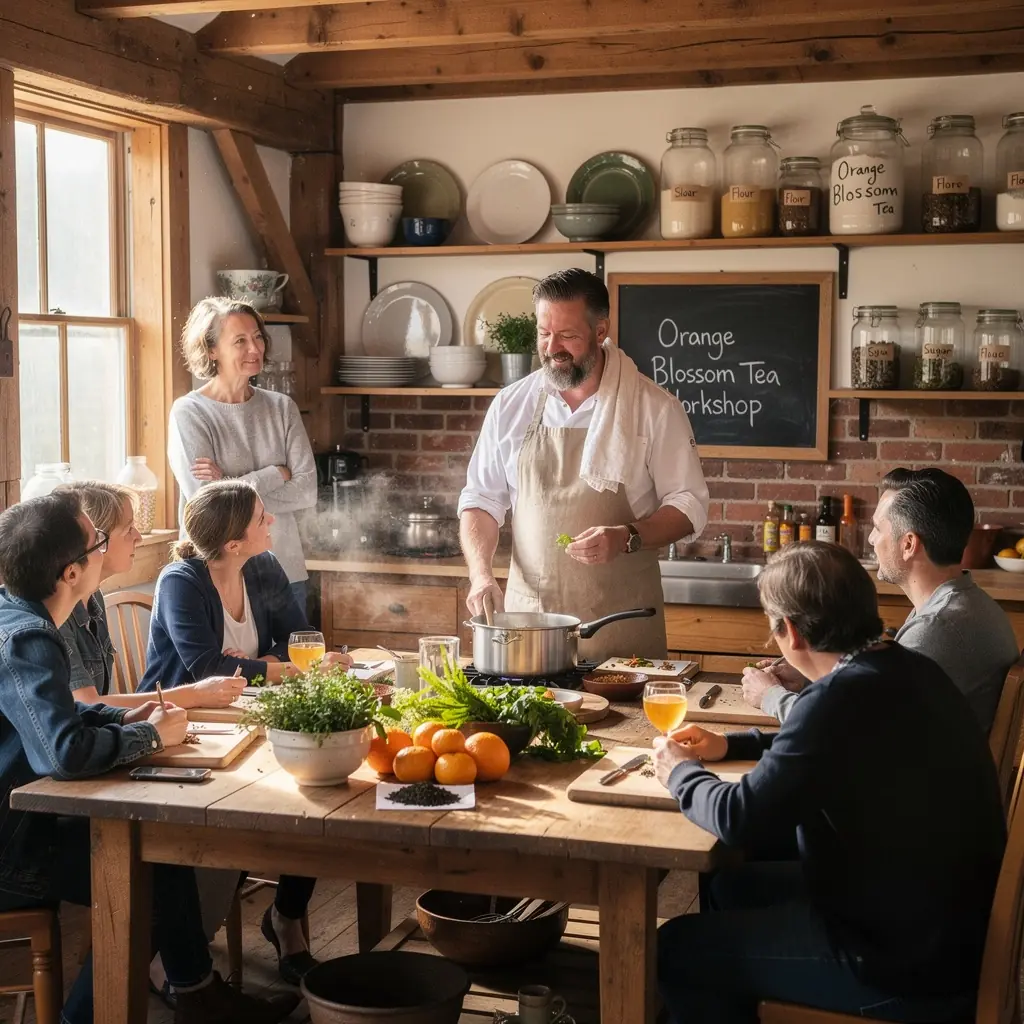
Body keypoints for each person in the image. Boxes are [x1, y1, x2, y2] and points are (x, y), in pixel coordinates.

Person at [653, 542, 1005, 1024]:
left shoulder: (838, 697)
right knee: (730, 887)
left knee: (675, 948)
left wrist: (678, 772)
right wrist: (730, 745)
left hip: (904, 968)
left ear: (792, 632)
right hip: (939, 926)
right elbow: (824, 744)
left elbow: (739, 817)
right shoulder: (902, 667)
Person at [0, 492, 300, 1024]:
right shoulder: (27, 639)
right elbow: (63, 753)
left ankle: (196, 993)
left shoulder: (28, 616)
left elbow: (64, 715)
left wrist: (130, 721)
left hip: (32, 820)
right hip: (13, 847)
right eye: (99, 541)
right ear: (71, 572)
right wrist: (149, 737)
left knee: (162, 857)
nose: (111, 546)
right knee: (142, 876)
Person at [139, 479, 346, 984]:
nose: (271, 521)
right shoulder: (180, 581)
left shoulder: (264, 565)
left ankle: (286, 917)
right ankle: (177, 960)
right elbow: (206, 668)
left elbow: (298, 637)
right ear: (232, 544)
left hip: (251, 716)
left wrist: (257, 666)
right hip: (183, 729)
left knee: (317, 793)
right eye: (260, 518)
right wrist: (275, 668)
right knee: (291, 798)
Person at [458, 268, 709, 661]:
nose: (552, 348)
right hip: (531, 631)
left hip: (622, 632)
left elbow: (689, 506)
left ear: (600, 330)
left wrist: (626, 536)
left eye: (568, 335)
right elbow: (481, 500)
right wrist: (480, 575)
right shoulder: (511, 405)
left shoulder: (655, 408)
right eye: (544, 333)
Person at [743, 468, 1019, 734]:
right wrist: (808, 676)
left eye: (877, 528)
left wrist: (771, 696)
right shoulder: (961, 604)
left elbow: (854, 729)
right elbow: (876, 698)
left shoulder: (936, 628)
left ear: (908, 544)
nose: (872, 539)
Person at [168, 297, 316, 611]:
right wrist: (275, 474)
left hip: (285, 570)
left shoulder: (282, 407)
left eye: (257, 337)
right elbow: (210, 508)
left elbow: (306, 491)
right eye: (240, 341)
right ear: (211, 350)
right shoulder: (189, 412)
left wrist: (229, 482)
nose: (255, 348)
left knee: (301, 647)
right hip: (220, 577)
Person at [55, 481, 245, 710]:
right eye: (128, 529)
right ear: (96, 540)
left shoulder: (94, 597)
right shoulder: (59, 612)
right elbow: (87, 704)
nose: (138, 537)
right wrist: (196, 694)